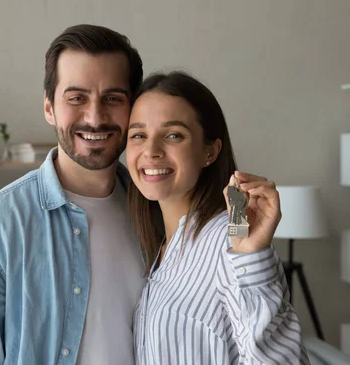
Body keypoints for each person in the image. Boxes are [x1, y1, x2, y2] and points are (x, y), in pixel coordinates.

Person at [0, 24, 147, 364]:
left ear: (133, 108)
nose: (95, 117)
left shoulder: (156, 215)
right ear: (49, 108)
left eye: (113, 98)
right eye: (76, 98)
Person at [126, 71, 310, 364]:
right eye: (138, 135)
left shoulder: (231, 242)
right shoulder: (158, 248)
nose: (151, 151)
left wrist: (251, 256)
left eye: (173, 135)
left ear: (209, 151)